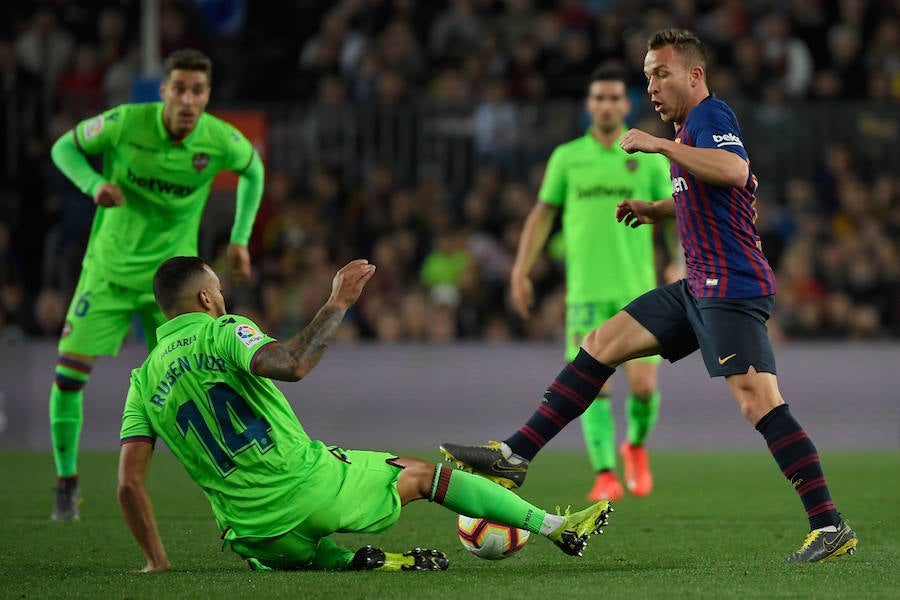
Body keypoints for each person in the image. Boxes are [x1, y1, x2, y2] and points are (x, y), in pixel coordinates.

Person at [441, 29, 858, 563]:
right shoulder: (690, 129)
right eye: (648, 78)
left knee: (759, 403)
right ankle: (516, 454)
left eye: (661, 74)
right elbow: (709, 193)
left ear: (694, 75)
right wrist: (658, 208)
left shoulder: (709, 117)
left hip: (730, 287)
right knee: (600, 342)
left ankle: (829, 526)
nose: (653, 87)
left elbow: (736, 172)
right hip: (698, 285)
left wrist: (660, 145)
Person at [117, 256, 613, 573]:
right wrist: (340, 301)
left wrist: (157, 561)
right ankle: (555, 526)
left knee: (292, 552)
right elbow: (291, 365)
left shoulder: (142, 380)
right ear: (206, 298)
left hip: (253, 537)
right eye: (218, 290)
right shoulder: (222, 329)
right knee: (427, 476)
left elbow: (128, 485)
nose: (222, 296)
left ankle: (360, 561)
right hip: (308, 489)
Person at [48, 49, 264, 521]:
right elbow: (63, 147)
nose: (188, 99)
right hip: (108, 271)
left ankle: (235, 482)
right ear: (163, 90)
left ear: (207, 97)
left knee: (199, 380)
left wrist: (240, 238)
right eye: (180, 89)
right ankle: (66, 482)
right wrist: (92, 186)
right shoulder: (126, 122)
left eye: (198, 91)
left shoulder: (219, 139)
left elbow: (254, 169)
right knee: (68, 377)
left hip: (172, 284)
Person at [506, 64, 674, 502]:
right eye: (598, 98)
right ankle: (604, 471)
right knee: (593, 388)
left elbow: (676, 210)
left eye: (614, 98)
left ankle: (634, 446)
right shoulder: (567, 157)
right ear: (588, 105)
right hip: (585, 293)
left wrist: (679, 260)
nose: (606, 105)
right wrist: (521, 269)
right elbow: (542, 214)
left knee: (642, 385)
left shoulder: (646, 155)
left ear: (627, 104)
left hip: (637, 289)